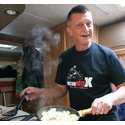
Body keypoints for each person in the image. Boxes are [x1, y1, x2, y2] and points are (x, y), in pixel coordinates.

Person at [22, 5, 125, 121]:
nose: (86, 29)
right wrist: (40, 92)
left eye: (89, 23)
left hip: (106, 118)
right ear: (70, 31)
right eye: (79, 25)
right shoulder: (65, 57)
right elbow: (61, 89)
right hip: (77, 117)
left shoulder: (107, 55)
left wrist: (110, 99)